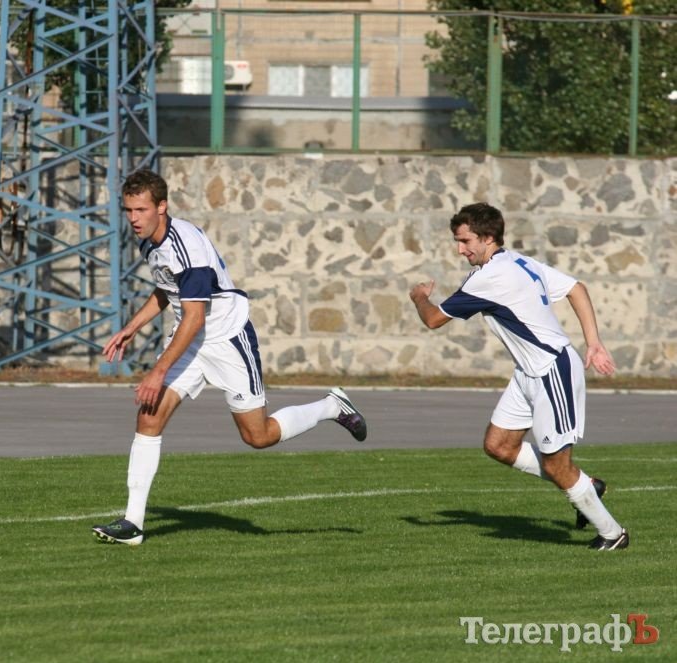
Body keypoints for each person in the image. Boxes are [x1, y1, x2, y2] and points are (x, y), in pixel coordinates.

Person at [92, 169, 368, 546]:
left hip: (226, 338)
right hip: (192, 339)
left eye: (141, 209)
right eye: (128, 210)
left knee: (258, 435)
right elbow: (165, 288)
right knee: (148, 416)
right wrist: (133, 326)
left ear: (162, 206)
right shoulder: (149, 240)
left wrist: (158, 371)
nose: (134, 218)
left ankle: (331, 406)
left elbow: (195, 315)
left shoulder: (185, 244)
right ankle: (133, 524)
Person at [408, 202, 628, 551]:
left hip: (551, 371)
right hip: (528, 372)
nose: (459, 249)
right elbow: (577, 288)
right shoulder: (517, 261)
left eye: (464, 241)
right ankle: (586, 485)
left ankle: (613, 533)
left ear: (488, 237)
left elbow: (433, 319)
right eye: (457, 241)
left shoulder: (491, 277)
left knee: (558, 465)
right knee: (498, 446)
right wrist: (593, 343)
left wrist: (419, 297)